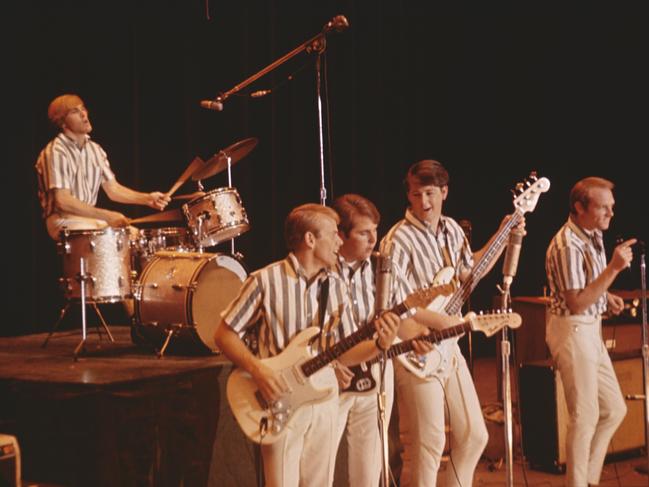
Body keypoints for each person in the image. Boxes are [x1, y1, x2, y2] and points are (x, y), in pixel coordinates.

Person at [214, 203, 401, 487]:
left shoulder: (336, 285)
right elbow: (224, 335)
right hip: (279, 396)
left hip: (323, 395)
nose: (340, 241)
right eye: (333, 234)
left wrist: (379, 345)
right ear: (310, 240)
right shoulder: (266, 280)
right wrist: (260, 372)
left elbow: (344, 351)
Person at [380, 159, 519, 487]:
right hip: (414, 347)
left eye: (429, 193)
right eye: (416, 195)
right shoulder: (397, 240)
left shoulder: (453, 229)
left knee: (473, 435)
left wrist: (504, 233)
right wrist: (438, 322)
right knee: (425, 447)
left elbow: (470, 274)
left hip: (448, 343)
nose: (423, 203)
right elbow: (393, 306)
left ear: (444, 191)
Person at [545, 177, 634, 487]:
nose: (610, 213)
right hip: (572, 330)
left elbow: (587, 287)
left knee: (614, 408)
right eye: (602, 208)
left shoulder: (592, 233)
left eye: (612, 207)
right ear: (579, 208)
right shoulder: (568, 244)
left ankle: (588, 480)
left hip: (589, 329)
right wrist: (613, 269)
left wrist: (606, 296)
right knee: (584, 417)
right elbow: (577, 302)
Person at [35, 93, 170, 240]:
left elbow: (114, 189)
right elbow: (63, 201)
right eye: (75, 111)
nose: (83, 114)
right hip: (63, 220)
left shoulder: (95, 149)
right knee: (110, 233)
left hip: (88, 218)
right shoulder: (56, 151)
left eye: (83, 109)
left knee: (136, 235)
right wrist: (107, 216)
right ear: (63, 123)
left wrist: (147, 198)